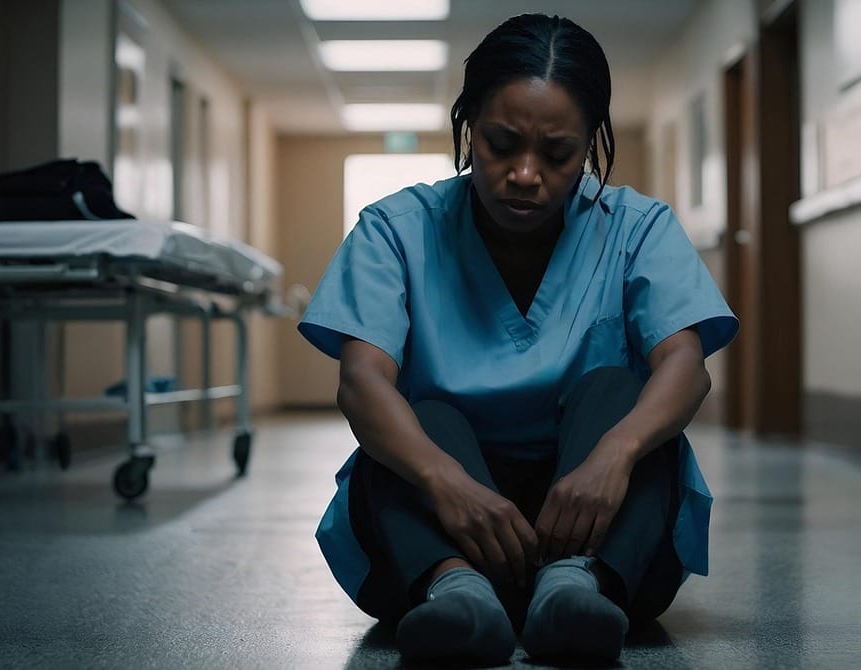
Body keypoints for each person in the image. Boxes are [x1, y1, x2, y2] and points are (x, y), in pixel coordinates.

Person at [297, 13, 739, 665]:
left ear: (589, 144)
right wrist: (442, 479)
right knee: (417, 422)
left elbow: (685, 363)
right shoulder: (397, 229)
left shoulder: (637, 228)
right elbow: (361, 379)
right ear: (469, 126)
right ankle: (458, 593)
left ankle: (573, 590)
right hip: (440, 528)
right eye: (501, 145)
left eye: (557, 154)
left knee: (625, 399)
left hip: (598, 528)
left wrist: (615, 453)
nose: (526, 174)